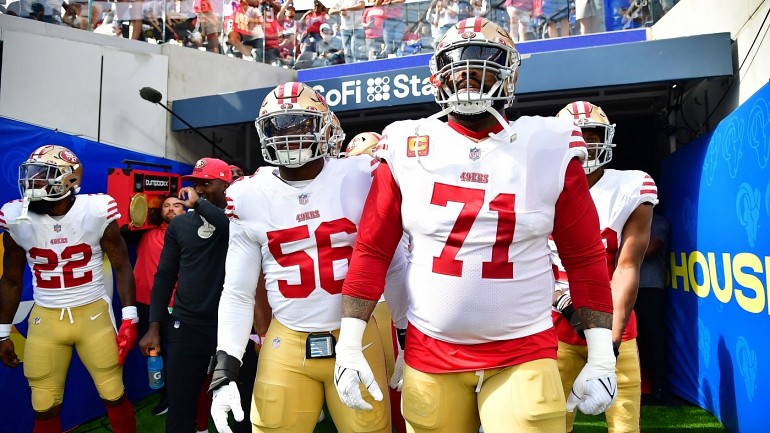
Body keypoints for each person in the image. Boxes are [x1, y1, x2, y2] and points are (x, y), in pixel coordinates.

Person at [331, 18, 618, 433]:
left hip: (524, 348)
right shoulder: (408, 143)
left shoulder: (549, 142)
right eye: (457, 63)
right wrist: (349, 346)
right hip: (431, 349)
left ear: (509, 73)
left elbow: (585, 256)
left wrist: (601, 356)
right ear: (438, 75)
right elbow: (373, 250)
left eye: (484, 60)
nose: (467, 72)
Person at [206, 81, 406, 433]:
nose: (288, 136)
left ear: (326, 127)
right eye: (277, 127)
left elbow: (392, 264)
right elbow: (237, 290)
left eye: (300, 124)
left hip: (356, 335)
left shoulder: (361, 175)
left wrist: (405, 334)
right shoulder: (249, 195)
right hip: (288, 339)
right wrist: (226, 365)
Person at [0, 145, 138, 433]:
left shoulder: (96, 211)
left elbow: (123, 265)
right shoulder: (15, 217)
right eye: (31, 174)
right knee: (43, 401)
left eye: (42, 175)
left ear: (69, 180)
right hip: (46, 318)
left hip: (93, 315)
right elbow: (11, 279)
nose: (32, 182)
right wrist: (2, 332)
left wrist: (129, 317)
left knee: (113, 391)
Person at [552, 100, 658, 433]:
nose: (584, 143)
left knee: (626, 427)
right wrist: (569, 309)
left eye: (592, 134)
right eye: (575, 135)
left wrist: (607, 348)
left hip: (617, 330)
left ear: (606, 138)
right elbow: (529, 267)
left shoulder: (631, 187)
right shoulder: (540, 189)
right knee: (551, 424)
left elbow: (627, 267)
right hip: (558, 330)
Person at [139, 158, 256, 433]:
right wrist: (154, 325)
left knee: (244, 405)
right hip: (187, 325)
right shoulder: (181, 226)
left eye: (206, 182)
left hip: (233, 327)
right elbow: (165, 276)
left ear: (226, 185)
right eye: (195, 182)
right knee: (180, 407)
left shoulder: (240, 219)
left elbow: (228, 228)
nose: (199, 188)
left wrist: (199, 204)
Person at [133, 195, 185, 416]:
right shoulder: (147, 233)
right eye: (166, 206)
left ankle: (180, 399)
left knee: (177, 355)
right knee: (154, 353)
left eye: (177, 205)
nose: (171, 209)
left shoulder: (190, 235)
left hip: (175, 305)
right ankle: (164, 398)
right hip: (145, 303)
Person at [634, 211, 670, 404]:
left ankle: (659, 387)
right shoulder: (627, 220)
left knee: (654, 339)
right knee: (632, 340)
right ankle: (638, 385)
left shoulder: (658, 221)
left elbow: (650, 249)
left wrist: (626, 243)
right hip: (627, 288)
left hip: (651, 289)